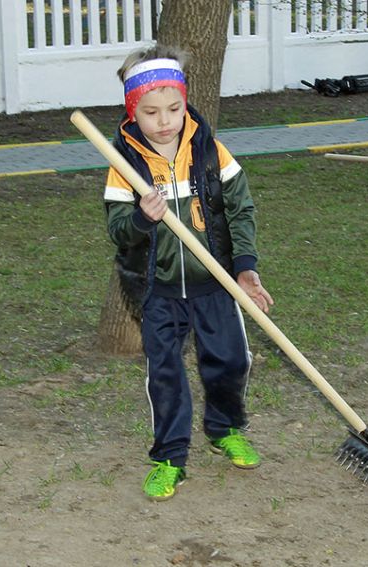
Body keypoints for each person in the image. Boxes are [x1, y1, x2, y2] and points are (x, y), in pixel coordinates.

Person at [103, 45, 274, 501]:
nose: (164, 121)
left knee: (230, 361)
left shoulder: (210, 152)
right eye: (152, 112)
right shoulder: (125, 167)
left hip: (214, 283)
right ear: (133, 112)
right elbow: (119, 231)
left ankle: (225, 429)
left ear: (185, 103)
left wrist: (245, 269)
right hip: (157, 290)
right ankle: (169, 456)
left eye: (174, 109)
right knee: (166, 374)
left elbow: (240, 210)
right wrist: (141, 217)